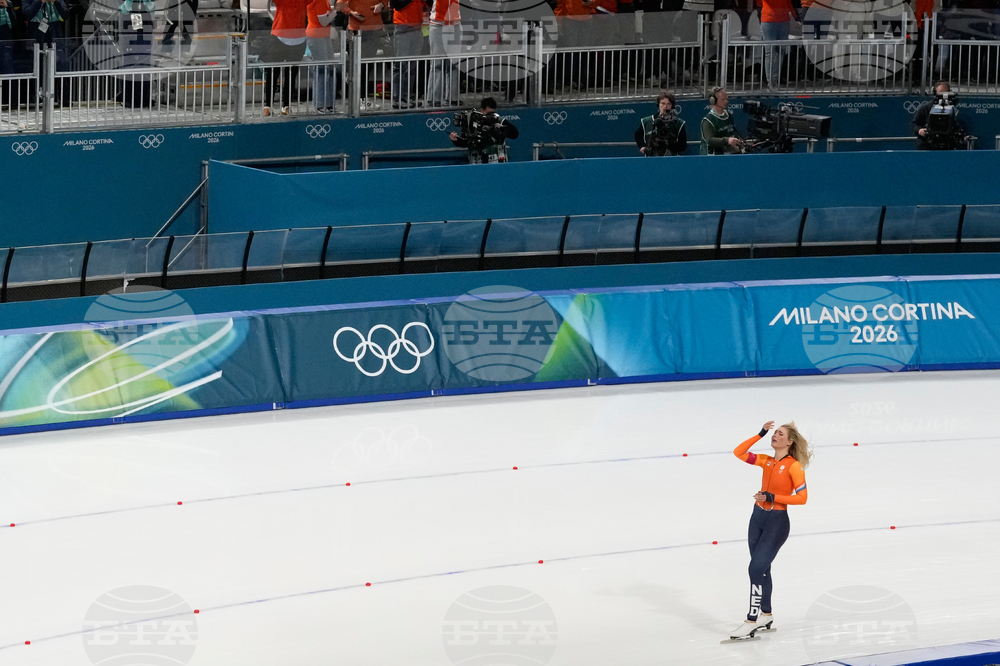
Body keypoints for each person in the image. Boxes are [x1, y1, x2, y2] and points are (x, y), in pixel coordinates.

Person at [728, 420, 811, 642]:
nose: (775, 436)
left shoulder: (794, 466)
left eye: (779, 434)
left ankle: (751, 621)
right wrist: (760, 433)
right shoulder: (766, 461)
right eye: (773, 433)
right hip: (757, 518)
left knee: (755, 568)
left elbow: (802, 498)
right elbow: (739, 452)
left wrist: (773, 497)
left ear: (789, 441)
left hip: (777, 522)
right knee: (762, 569)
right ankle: (766, 614)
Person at [448, 96, 519, 164]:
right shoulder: (474, 122)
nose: (490, 116)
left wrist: (499, 123)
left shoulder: (498, 121)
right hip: (477, 162)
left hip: (497, 162)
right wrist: (456, 140)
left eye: (493, 113)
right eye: (488, 114)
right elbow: (467, 142)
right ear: (481, 110)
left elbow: (515, 134)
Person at [910, 81, 967, 150]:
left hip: (948, 146)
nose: (943, 95)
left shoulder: (954, 109)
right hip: (927, 146)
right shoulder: (925, 107)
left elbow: (958, 127)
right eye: (940, 93)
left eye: (945, 92)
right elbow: (914, 124)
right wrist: (919, 130)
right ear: (935, 92)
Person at [389, 0, 423, 109]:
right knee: (400, 65)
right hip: (402, 28)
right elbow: (396, 5)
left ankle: (407, 96)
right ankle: (397, 99)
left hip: (417, 28)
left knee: (412, 66)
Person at [426, 0, 460, 107]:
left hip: (455, 25)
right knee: (437, 64)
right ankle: (434, 98)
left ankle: (453, 97)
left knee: (454, 64)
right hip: (438, 24)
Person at [634, 90, 687, 156]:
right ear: (658, 104)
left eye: (668, 104)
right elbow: (637, 134)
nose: (665, 106)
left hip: (671, 157)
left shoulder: (678, 123)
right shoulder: (647, 121)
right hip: (651, 157)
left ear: (672, 106)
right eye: (663, 103)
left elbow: (683, 145)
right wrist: (642, 146)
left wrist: (669, 144)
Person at [700, 87, 742, 155]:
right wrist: (727, 140)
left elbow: (732, 133)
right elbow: (710, 141)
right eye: (723, 99)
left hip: (727, 156)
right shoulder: (708, 121)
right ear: (713, 100)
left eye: (726, 98)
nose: (726, 101)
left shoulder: (728, 116)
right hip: (712, 158)